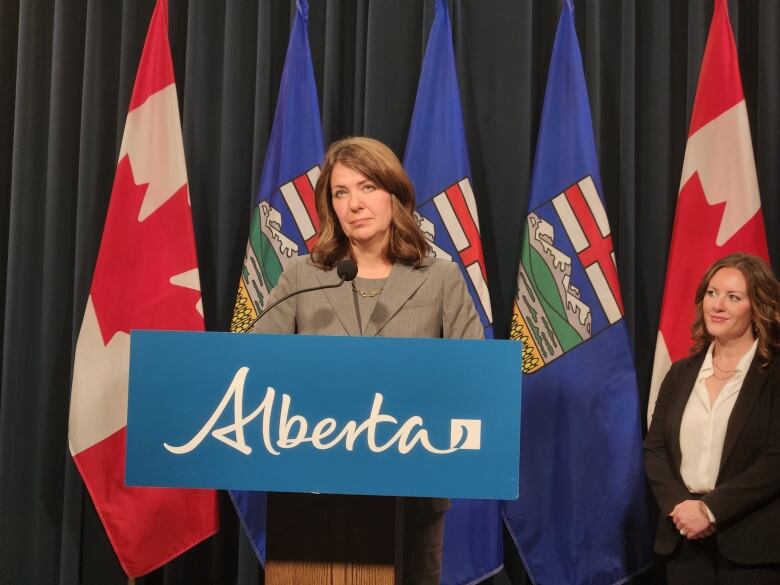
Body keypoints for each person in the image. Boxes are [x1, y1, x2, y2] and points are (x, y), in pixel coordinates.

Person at [253, 136, 484, 584]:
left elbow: (472, 377)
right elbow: (257, 364)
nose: (354, 203)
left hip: (412, 494)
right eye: (341, 192)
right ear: (330, 205)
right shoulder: (304, 275)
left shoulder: (439, 278)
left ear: (394, 193)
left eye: (367, 187)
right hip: (312, 492)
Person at [644, 253, 780, 584]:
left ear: (757, 308)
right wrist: (682, 507)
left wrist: (710, 509)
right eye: (712, 293)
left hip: (752, 546)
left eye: (733, 297)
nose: (717, 305)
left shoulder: (774, 374)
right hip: (684, 539)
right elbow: (655, 448)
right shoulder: (680, 373)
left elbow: (775, 459)